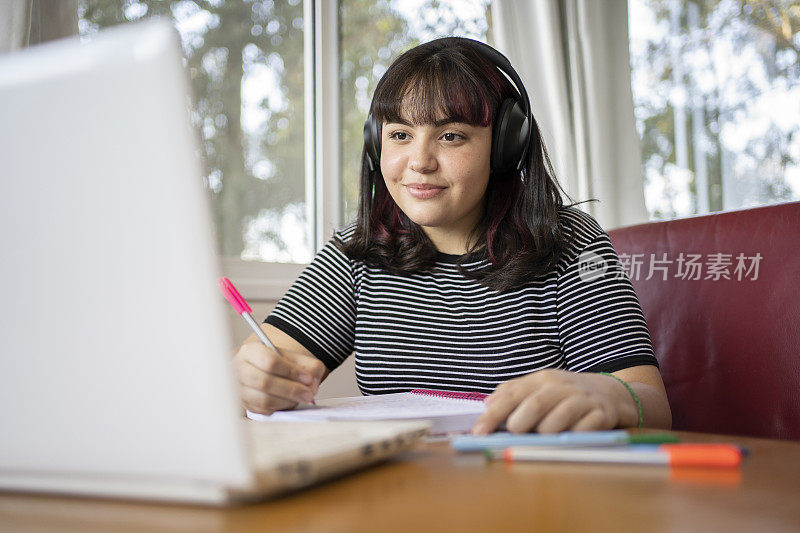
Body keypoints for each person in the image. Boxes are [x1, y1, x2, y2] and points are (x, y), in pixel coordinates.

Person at [233, 37, 672, 434]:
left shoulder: (572, 242)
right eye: (400, 135)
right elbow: (271, 364)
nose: (420, 161)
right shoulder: (361, 250)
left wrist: (615, 396)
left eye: (452, 136)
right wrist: (255, 379)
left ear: (505, 145)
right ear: (375, 144)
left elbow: (651, 403)